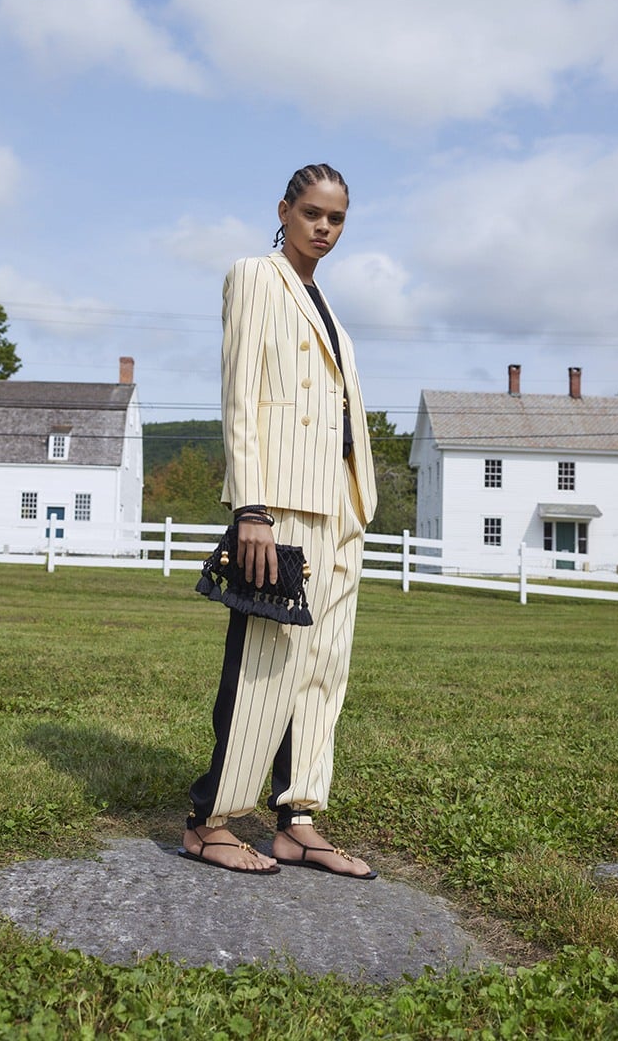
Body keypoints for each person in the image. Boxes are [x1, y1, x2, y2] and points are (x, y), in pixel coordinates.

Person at [179, 164, 378, 877]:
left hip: (341, 509)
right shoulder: (256, 278)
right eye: (313, 213)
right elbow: (240, 396)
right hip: (282, 507)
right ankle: (212, 819)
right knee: (265, 664)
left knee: (323, 671)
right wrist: (250, 509)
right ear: (285, 210)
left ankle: (296, 820)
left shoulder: (327, 307)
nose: (324, 227)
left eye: (337, 218)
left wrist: (359, 504)